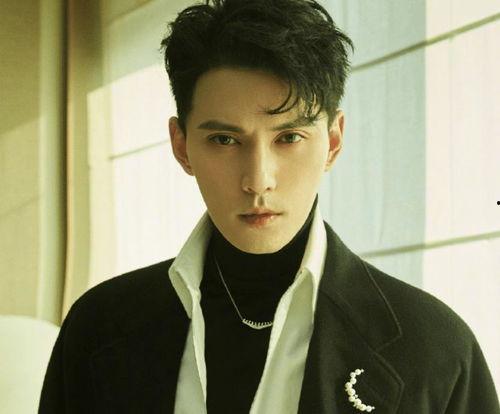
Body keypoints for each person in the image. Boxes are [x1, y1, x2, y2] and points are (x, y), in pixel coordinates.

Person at [39, 0, 499, 413]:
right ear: (181, 146)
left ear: (333, 142)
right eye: (224, 140)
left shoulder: (436, 349)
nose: (258, 180)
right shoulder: (97, 328)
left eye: (289, 137)